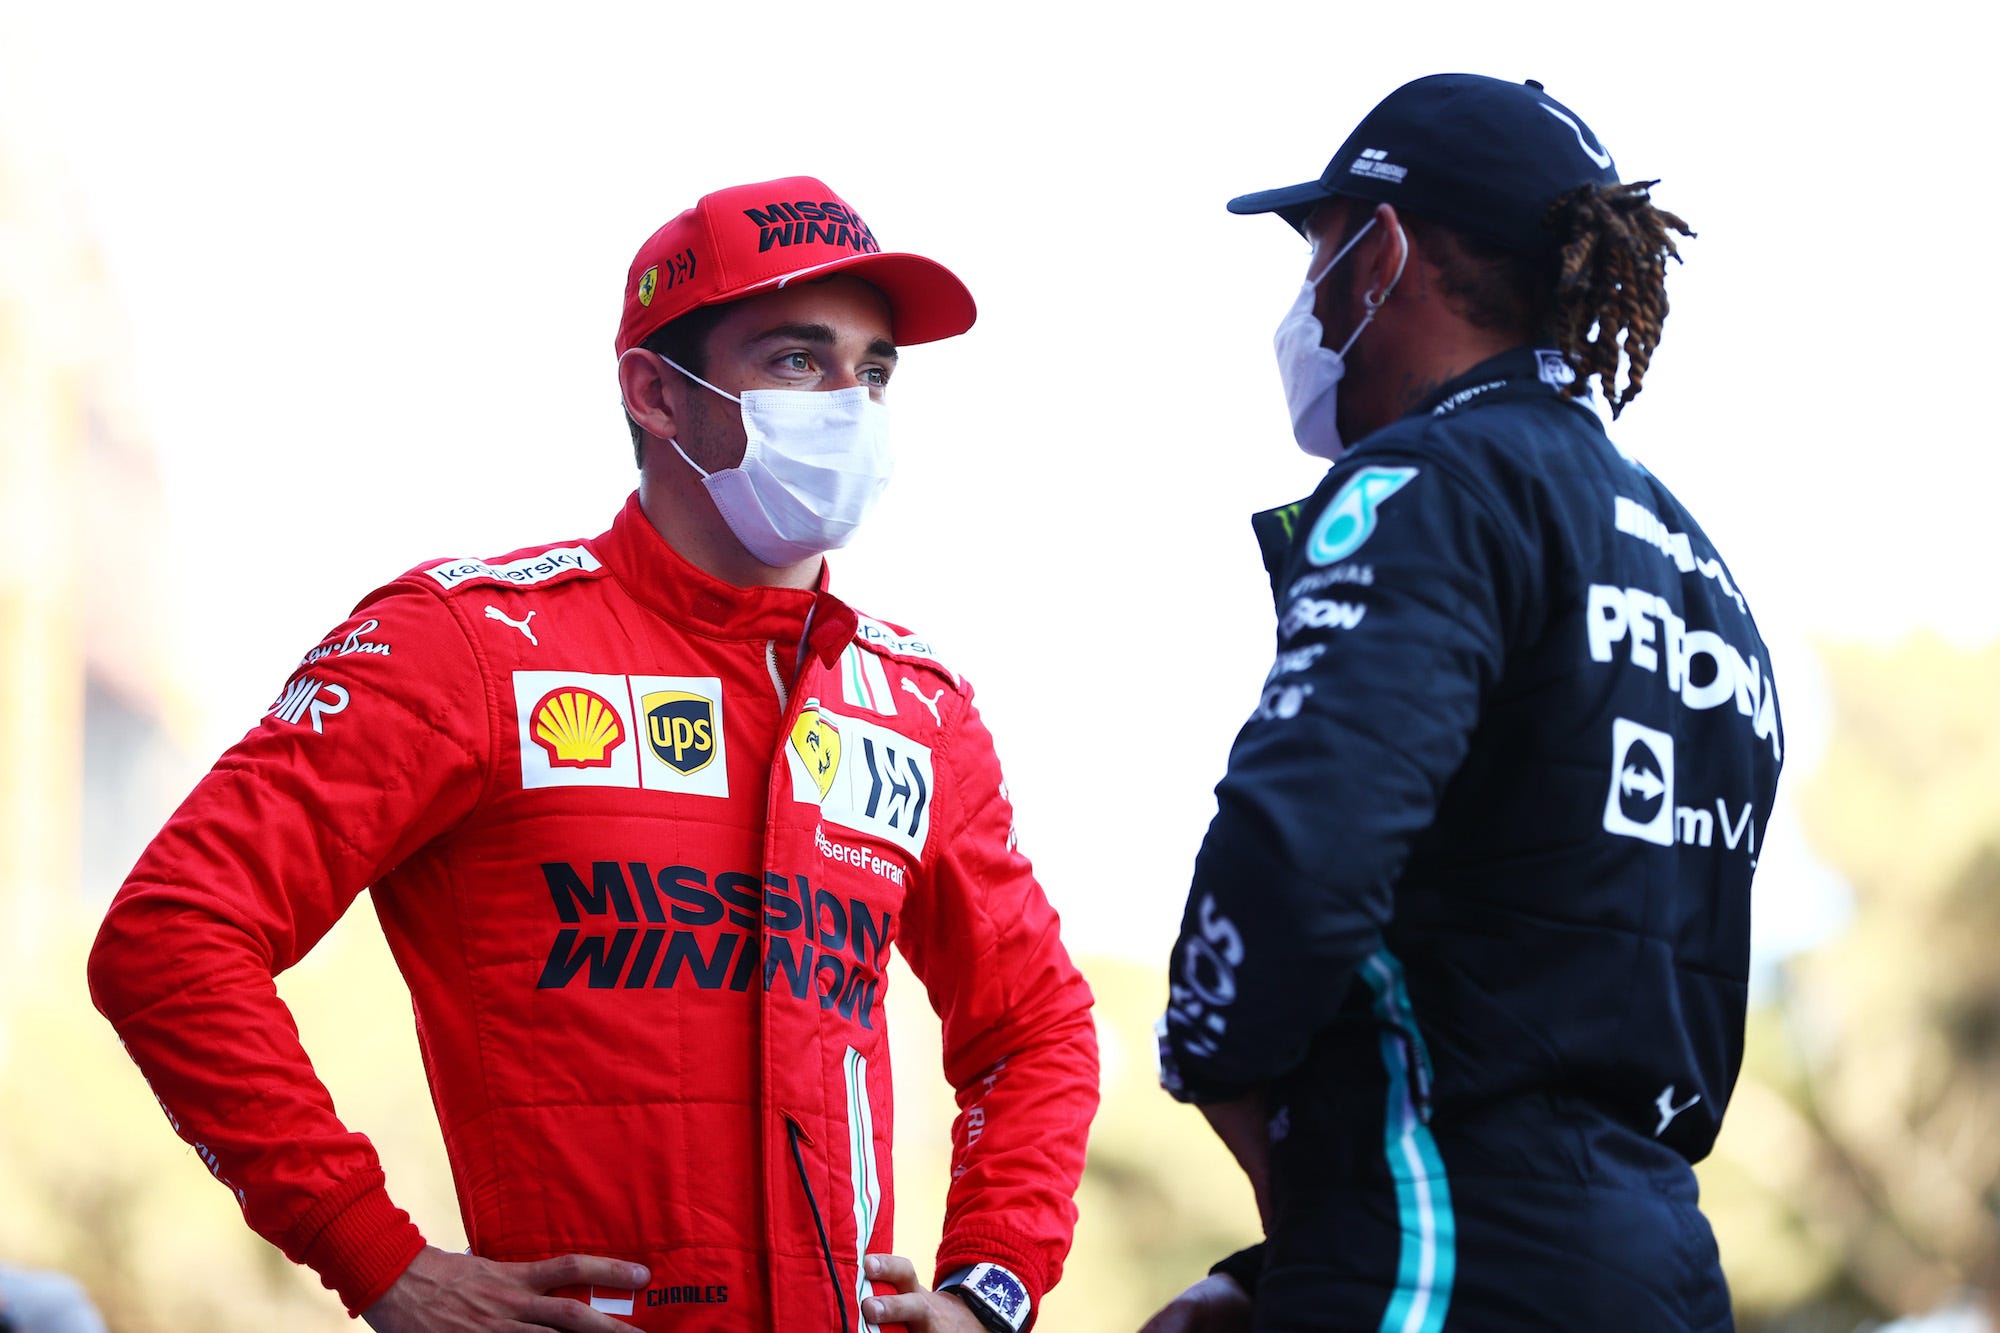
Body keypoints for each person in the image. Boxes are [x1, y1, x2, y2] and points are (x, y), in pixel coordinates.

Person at [89, 176, 1098, 1333]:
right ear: (655, 394)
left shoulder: (916, 707)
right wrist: (377, 1257)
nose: (850, 404)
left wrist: (992, 1286)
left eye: (873, 372)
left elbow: (1036, 1031)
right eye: (796, 361)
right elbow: (171, 933)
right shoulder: (468, 644)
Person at [1148, 75, 1782, 1331]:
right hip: (1660, 1266)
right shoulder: (1703, 570)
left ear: (1382, 250)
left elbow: (1295, 849)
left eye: (1319, 251)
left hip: (1442, 1251)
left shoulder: (1433, 479)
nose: (1307, 297)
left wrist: (1221, 1084)